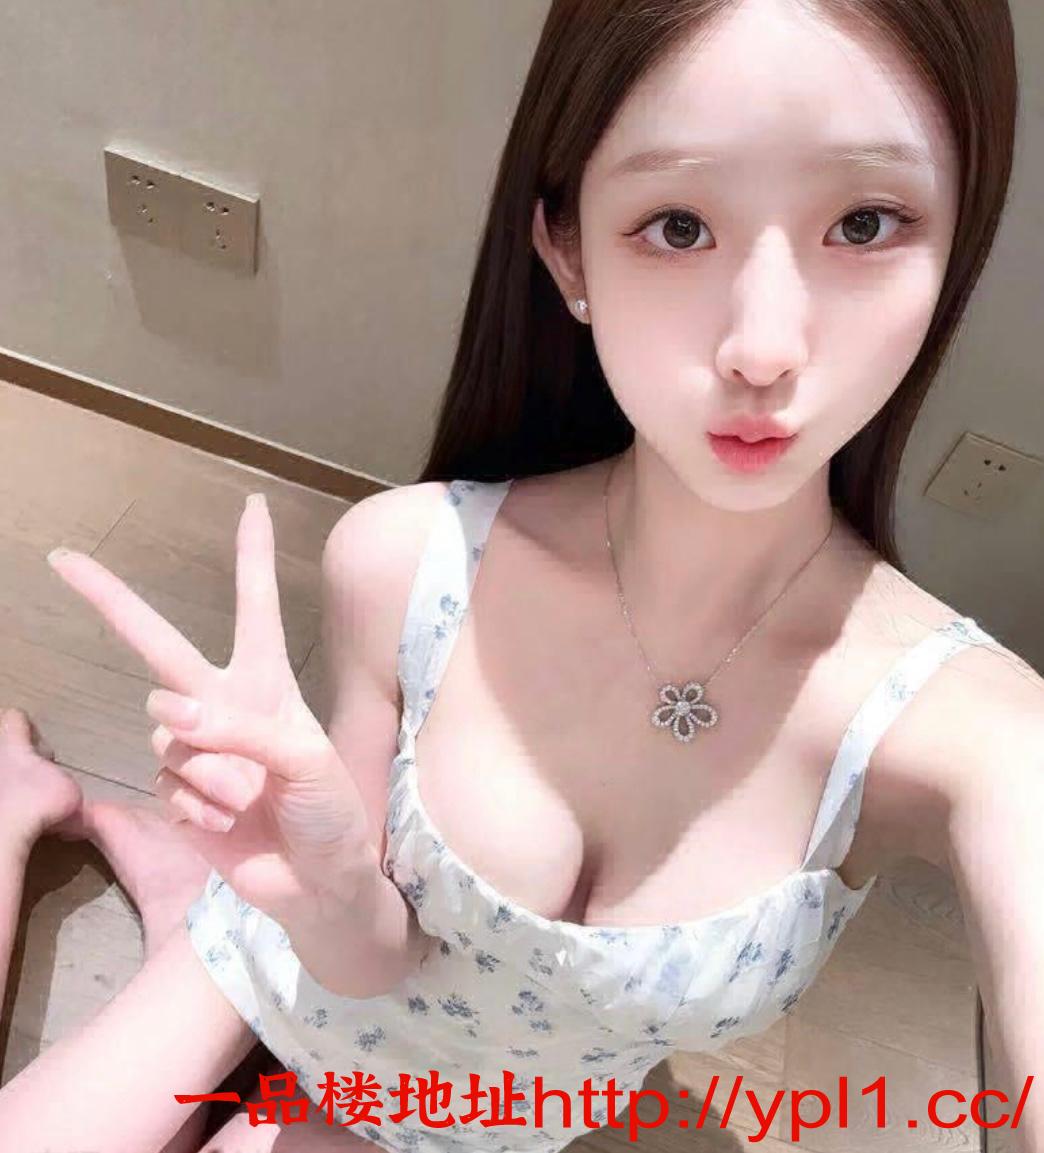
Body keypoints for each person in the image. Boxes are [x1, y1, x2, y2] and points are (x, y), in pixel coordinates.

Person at [1, 0, 1040, 1150]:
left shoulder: (976, 737)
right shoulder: (406, 559)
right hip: (286, 961)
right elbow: (361, 951)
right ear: (567, 250)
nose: (764, 346)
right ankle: (45, 830)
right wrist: (326, 888)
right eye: (679, 226)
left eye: (865, 222)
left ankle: (161, 902)